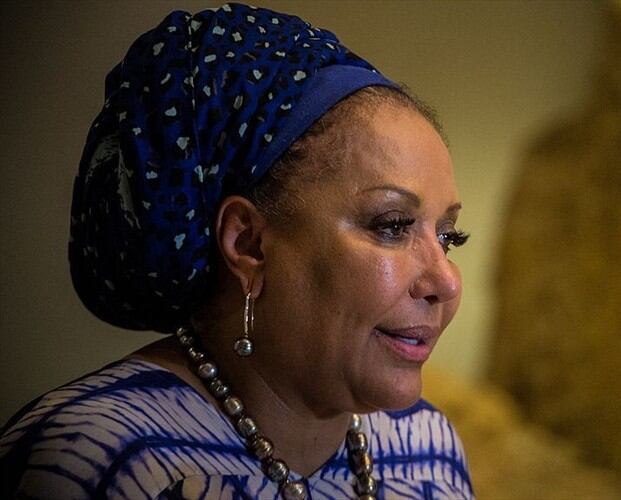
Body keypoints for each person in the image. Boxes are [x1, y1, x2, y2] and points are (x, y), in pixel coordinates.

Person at [0, 4, 473, 499]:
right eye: (393, 226)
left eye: (448, 237)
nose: (447, 281)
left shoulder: (430, 449)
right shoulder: (94, 458)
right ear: (247, 243)